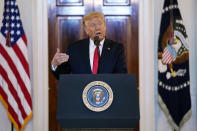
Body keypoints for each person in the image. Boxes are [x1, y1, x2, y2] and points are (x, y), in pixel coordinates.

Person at [51, 12, 127, 79]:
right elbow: (61, 76)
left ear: (105, 26)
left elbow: (122, 77)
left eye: (100, 24)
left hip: (107, 93)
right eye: (92, 25)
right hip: (81, 93)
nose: (97, 28)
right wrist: (54, 64)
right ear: (86, 30)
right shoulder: (74, 48)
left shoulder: (116, 48)